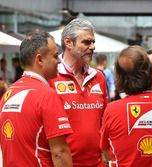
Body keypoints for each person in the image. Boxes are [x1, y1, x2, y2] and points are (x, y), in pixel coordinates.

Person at [0, 32, 73, 167]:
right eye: (55, 55)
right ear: (40, 59)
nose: (59, 60)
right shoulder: (47, 96)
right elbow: (60, 152)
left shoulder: (8, 93)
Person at [49, 18, 108, 167]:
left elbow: (105, 121)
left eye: (93, 42)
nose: (93, 47)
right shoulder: (50, 76)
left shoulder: (99, 77)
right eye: (87, 42)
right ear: (68, 43)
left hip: (97, 163)